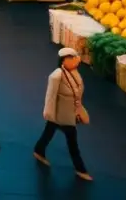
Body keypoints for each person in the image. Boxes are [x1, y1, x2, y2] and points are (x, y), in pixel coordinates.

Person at [34, 47, 92, 180]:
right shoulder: (56, 76)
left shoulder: (74, 73)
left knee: (48, 133)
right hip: (61, 115)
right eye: (71, 58)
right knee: (72, 141)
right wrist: (49, 113)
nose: (75, 60)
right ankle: (80, 168)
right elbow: (50, 96)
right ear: (64, 60)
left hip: (70, 111)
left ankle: (38, 150)